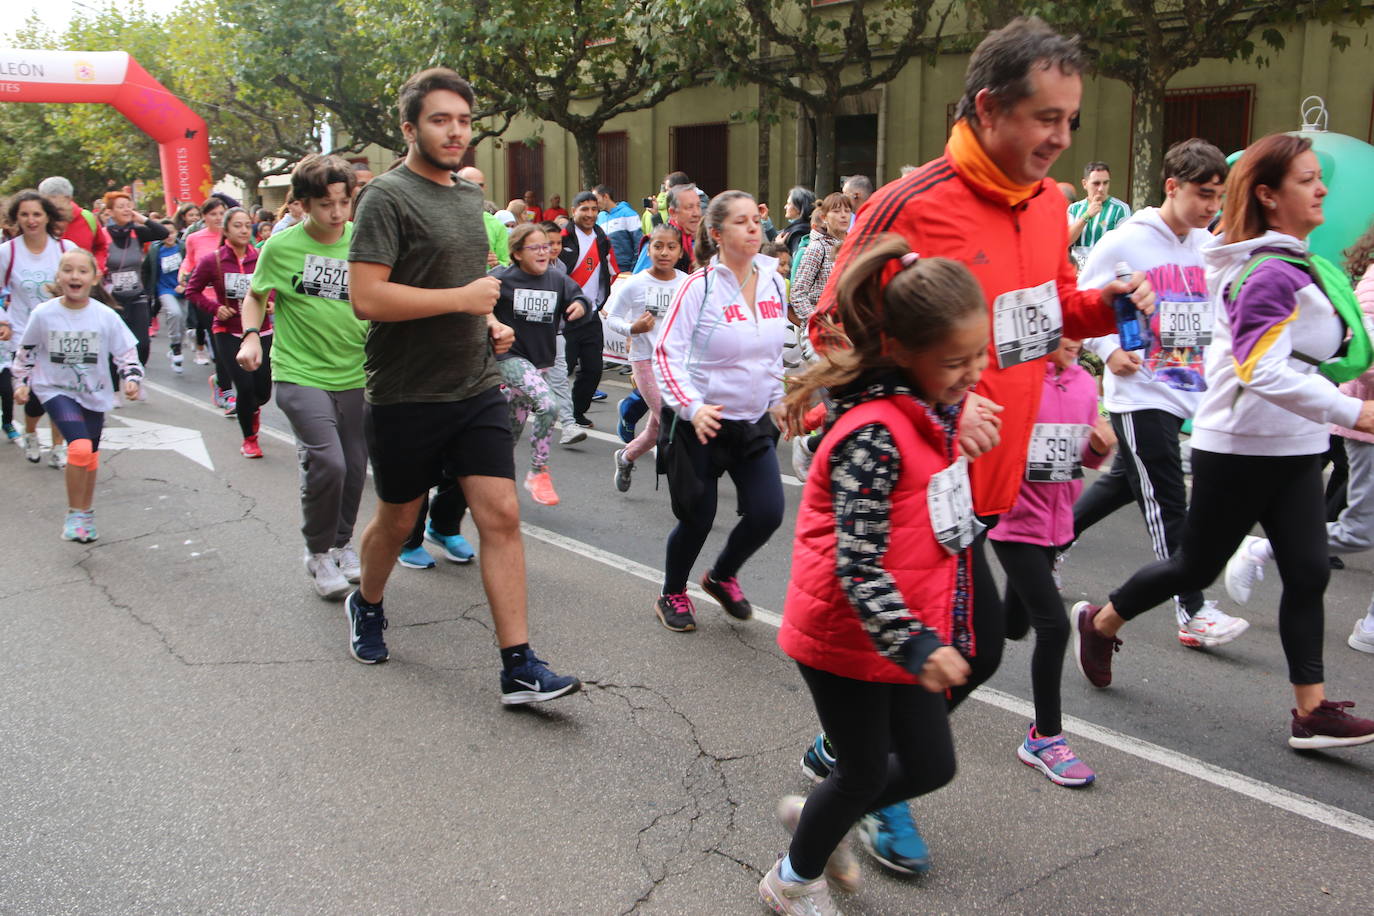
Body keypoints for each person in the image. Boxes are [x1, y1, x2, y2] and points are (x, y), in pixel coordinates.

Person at [803, 15, 1152, 871]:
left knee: (975, 645)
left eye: (1071, 121)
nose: (1063, 140)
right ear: (991, 108)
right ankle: (876, 789)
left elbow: (1045, 309)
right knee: (970, 648)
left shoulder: (1053, 204)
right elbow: (829, 330)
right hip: (914, 476)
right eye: (1047, 119)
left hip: (994, 481)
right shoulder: (911, 204)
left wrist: (1107, 310)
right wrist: (940, 411)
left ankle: (851, 767)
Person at [1073, 132, 1374, 750]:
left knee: (1310, 571)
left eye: (1321, 178)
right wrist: (1356, 412)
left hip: (1294, 444)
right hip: (1234, 443)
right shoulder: (1263, 271)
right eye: (1306, 180)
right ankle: (1101, 622)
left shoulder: (1287, 259)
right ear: (1267, 194)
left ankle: (1310, 712)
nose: (1321, 190)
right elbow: (1259, 368)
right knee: (1192, 561)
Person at [763, 239, 986, 914]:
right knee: (860, 770)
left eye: (979, 357)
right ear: (901, 349)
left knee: (929, 765)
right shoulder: (875, 433)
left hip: (895, 632)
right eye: (956, 362)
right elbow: (857, 563)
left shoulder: (931, 412)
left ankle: (820, 820)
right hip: (846, 637)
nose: (973, 374)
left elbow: (932, 526)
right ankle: (790, 883)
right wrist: (918, 643)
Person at [346, 66, 580, 704]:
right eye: (439, 119)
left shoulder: (466, 199)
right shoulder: (385, 197)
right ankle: (366, 601)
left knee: (501, 515)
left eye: (463, 121)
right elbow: (366, 297)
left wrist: (489, 320)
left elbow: (468, 286)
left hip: (475, 383)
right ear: (410, 128)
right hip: (405, 391)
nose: (455, 132)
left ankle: (519, 665)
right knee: (399, 520)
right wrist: (463, 299)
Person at [1069, 139, 1246, 647]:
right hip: (1137, 390)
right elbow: (1082, 303)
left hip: (1183, 386)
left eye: (1220, 197)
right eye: (1204, 195)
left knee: (1126, 482)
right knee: (1169, 497)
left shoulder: (1203, 245)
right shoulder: (1124, 242)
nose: (1213, 207)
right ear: (1173, 186)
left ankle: (1049, 543)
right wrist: (1107, 351)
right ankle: (1191, 610)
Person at [1225, 216, 1374, 656]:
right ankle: (1264, 547)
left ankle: (1370, 625)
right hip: (1365, 424)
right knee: (1361, 531)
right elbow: (1359, 350)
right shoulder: (1371, 284)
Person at [651, 191, 789, 632]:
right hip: (701, 426)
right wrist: (692, 408)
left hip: (751, 423)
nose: (754, 228)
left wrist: (778, 399)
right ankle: (673, 591)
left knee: (768, 512)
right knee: (697, 519)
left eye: (757, 220)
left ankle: (723, 575)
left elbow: (771, 355)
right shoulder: (699, 287)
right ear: (716, 233)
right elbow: (665, 355)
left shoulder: (773, 281)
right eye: (741, 222)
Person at [236, 154, 368, 599]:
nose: (336, 214)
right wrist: (252, 336)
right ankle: (317, 552)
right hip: (299, 371)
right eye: (325, 204)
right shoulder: (281, 246)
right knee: (328, 462)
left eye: (344, 203)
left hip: (356, 372)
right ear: (303, 204)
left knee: (353, 467)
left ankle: (343, 543)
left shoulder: (364, 241)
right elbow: (255, 296)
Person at [990, 339, 1114, 786]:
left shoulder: (1084, 382)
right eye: (1064, 330)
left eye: (1080, 334)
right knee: (1054, 626)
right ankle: (1044, 737)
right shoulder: (1017, 380)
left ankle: (959, 625)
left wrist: (1099, 448)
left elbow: (1079, 453)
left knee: (1011, 625)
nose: (1074, 341)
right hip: (1012, 520)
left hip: (1055, 525)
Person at [12, 248, 143, 542]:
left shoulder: (105, 316)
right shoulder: (44, 314)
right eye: (68, 270)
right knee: (80, 448)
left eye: (82, 271)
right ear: (58, 277)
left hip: (94, 393)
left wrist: (131, 377)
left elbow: (126, 353)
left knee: (90, 456)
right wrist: (21, 382)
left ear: (94, 278)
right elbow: (27, 351)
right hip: (55, 389)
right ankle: (74, 513)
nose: (75, 276)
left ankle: (86, 512)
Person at [492, 222, 589, 506]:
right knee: (548, 405)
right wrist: (493, 325)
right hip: (508, 358)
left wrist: (580, 305)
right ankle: (538, 471)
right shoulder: (501, 277)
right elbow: (476, 300)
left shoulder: (556, 279)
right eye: (535, 248)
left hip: (540, 362)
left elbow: (579, 295)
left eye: (546, 246)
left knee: (511, 431)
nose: (543, 252)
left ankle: (494, 480)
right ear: (517, 253)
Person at [604, 223, 687, 492]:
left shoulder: (687, 283)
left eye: (671, 246)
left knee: (655, 429)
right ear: (648, 249)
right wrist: (632, 329)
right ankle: (688, 478)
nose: (664, 252)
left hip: (677, 364)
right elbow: (612, 316)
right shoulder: (635, 283)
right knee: (670, 419)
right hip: (645, 361)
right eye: (658, 246)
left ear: (680, 251)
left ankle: (625, 457)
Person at [186, 207, 273, 457]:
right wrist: (215, 308)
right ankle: (250, 439)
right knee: (245, 389)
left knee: (263, 391)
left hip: (261, 331)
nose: (244, 230)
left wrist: (271, 301)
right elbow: (192, 290)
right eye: (237, 225)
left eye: (247, 225)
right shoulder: (212, 260)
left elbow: (274, 284)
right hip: (228, 332)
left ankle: (250, 409)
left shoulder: (261, 258)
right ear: (225, 230)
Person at [0, 190, 79, 465]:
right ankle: (32, 432)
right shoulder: (7, 252)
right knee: (33, 398)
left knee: (60, 391)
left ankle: (58, 446)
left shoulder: (65, 249)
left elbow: (82, 287)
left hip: (61, 333)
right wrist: (2, 319)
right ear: (16, 218)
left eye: (37, 214)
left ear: (48, 216)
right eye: (24, 215)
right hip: (23, 333)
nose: (31, 220)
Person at [558, 191, 618, 429]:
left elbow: (610, 270)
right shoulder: (563, 238)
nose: (590, 214)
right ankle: (547, 405)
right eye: (584, 209)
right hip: (566, 315)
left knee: (593, 369)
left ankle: (576, 411)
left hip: (591, 314)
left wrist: (601, 302)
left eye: (594, 209)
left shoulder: (602, 238)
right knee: (565, 367)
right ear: (574, 212)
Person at [102, 190, 169, 376]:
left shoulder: (136, 233)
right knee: (114, 343)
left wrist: (142, 218)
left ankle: (134, 375)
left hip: (136, 294)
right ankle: (115, 387)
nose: (126, 210)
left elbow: (162, 232)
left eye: (129, 206)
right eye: (120, 207)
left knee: (142, 343)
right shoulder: (102, 235)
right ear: (110, 212)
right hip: (111, 297)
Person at [181, 197, 235, 412]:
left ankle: (219, 381)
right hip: (208, 299)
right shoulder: (194, 238)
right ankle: (227, 393)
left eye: (222, 213)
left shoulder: (232, 236)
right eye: (213, 214)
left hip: (231, 298)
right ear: (204, 217)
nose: (218, 218)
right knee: (221, 346)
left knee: (233, 348)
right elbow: (189, 261)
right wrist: (183, 274)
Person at [790, 192, 852, 325]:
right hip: (825, 328)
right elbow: (798, 293)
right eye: (836, 211)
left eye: (847, 211)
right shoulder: (817, 248)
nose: (843, 215)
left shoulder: (855, 245)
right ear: (824, 217)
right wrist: (818, 323)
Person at [142, 219, 187, 373]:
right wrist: (148, 290)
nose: (169, 236)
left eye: (172, 232)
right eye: (165, 233)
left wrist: (185, 283)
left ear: (176, 233)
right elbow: (146, 269)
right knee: (174, 313)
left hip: (182, 289)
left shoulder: (183, 248)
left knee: (182, 322)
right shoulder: (155, 250)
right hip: (164, 289)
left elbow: (192, 266)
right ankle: (176, 348)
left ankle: (177, 344)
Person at [38, 176, 111, 271]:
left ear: (68, 198)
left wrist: (97, 267)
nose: (51, 211)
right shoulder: (37, 221)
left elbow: (101, 247)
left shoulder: (87, 218)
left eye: (56, 205)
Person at [1067, 161, 1131, 253]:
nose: (1101, 188)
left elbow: (1124, 245)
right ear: (1085, 184)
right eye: (1096, 183)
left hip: (1106, 266)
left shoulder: (1120, 209)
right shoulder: (1074, 208)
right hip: (1078, 266)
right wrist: (1086, 216)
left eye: (1105, 183)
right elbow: (1066, 241)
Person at [456, 167, 510, 267]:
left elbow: (506, 263)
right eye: (470, 184)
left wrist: (496, 264)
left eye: (480, 185)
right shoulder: (441, 219)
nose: (476, 188)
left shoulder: (496, 224)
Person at [593, 184, 644, 271]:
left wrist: (633, 270)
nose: (595, 204)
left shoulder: (628, 213)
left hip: (625, 268)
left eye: (596, 199)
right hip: (606, 268)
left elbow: (639, 244)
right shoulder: (599, 217)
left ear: (605, 196)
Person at [776, 186, 816, 260]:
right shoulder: (803, 227)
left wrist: (780, 248)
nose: (785, 207)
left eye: (788, 204)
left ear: (798, 208)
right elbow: (778, 236)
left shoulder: (798, 233)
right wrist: (766, 222)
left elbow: (796, 261)